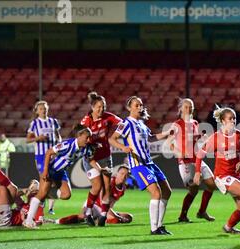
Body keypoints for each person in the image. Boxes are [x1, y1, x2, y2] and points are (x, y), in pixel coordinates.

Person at [193, 105, 240, 238]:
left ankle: (228, 227)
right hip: (222, 176)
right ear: (223, 121)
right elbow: (199, 154)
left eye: (235, 118)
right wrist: (198, 172)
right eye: (230, 119)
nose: (233, 121)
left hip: (236, 176)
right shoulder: (215, 137)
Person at [109, 96, 173, 235]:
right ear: (129, 108)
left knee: (167, 191)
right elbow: (112, 139)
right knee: (156, 193)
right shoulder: (126, 123)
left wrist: (168, 133)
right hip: (138, 164)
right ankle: (154, 228)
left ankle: (160, 226)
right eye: (136, 105)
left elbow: (151, 138)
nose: (139, 107)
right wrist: (123, 147)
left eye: (141, 105)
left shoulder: (142, 124)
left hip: (149, 162)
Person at [23, 124, 99, 229]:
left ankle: (37, 189)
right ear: (79, 136)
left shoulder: (85, 149)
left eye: (90, 137)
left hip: (61, 172)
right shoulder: (67, 144)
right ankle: (28, 221)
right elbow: (49, 152)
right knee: (41, 195)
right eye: (87, 137)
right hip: (52, 169)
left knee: (66, 194)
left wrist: (100, 169)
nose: (88, 139)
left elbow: (90, 160)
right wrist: (45, 170)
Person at [167, 98, 216, 223]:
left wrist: (203, 137)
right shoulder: (177, 124)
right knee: (193, 189)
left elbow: (195, 139)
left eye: (191, 106)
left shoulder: (195, 123)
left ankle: (202, 212)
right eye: (186, 107)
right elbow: (169, 143)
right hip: (185, 162)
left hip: (197, 158)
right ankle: (183, 215)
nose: (188, 109)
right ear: (180, 109)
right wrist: (178, 153)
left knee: (211, 184)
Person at [80, 92, 122, 227]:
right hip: (91, 159)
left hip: (105, 157)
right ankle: (88, 213)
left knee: (106, 188)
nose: (101, 109)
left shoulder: (108, 117)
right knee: (97, 186)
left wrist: (116, 135)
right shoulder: (86, 121)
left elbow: (123, 124)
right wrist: (90, 144)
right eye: (98, 107)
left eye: (103, 107)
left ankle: (103, 216)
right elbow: (80, 138)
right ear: (92, 107)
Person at [52, 165, 133, 225]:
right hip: (94, 204)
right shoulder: (109, 182)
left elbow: (111, 203)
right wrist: (115, 216)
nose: (123, 176)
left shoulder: (123, 188)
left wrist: (113, 215)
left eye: (126, 175)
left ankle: (98, 219)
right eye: (122, 173)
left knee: (128, 217)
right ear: (117, 173)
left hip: (105, 209)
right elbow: (102, 201)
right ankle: (55, 221)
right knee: (82, 217)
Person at [26, 100, 62, 215]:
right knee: (44, 179)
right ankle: (39, 204)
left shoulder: (53, 121)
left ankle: (50, 208)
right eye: (41, 108)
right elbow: (28, 140)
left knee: (54, 182)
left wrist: (58, 147)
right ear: (37, 111)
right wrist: (38, 138)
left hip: (53, 155)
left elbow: (59, 137)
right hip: (41, 155)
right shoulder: (35, 123)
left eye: (45, 108)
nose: (43, 110)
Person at [0, 153, 43, 227]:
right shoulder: (23, 205)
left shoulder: (38, 207)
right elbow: (15, 195)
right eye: (32, 186)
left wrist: (28, 222)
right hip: (4, 216)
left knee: (2, 189)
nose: (32, 188)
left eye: (34, 187)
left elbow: (39, 221)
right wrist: (25, 191)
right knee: (13, 188)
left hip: (2, 220)